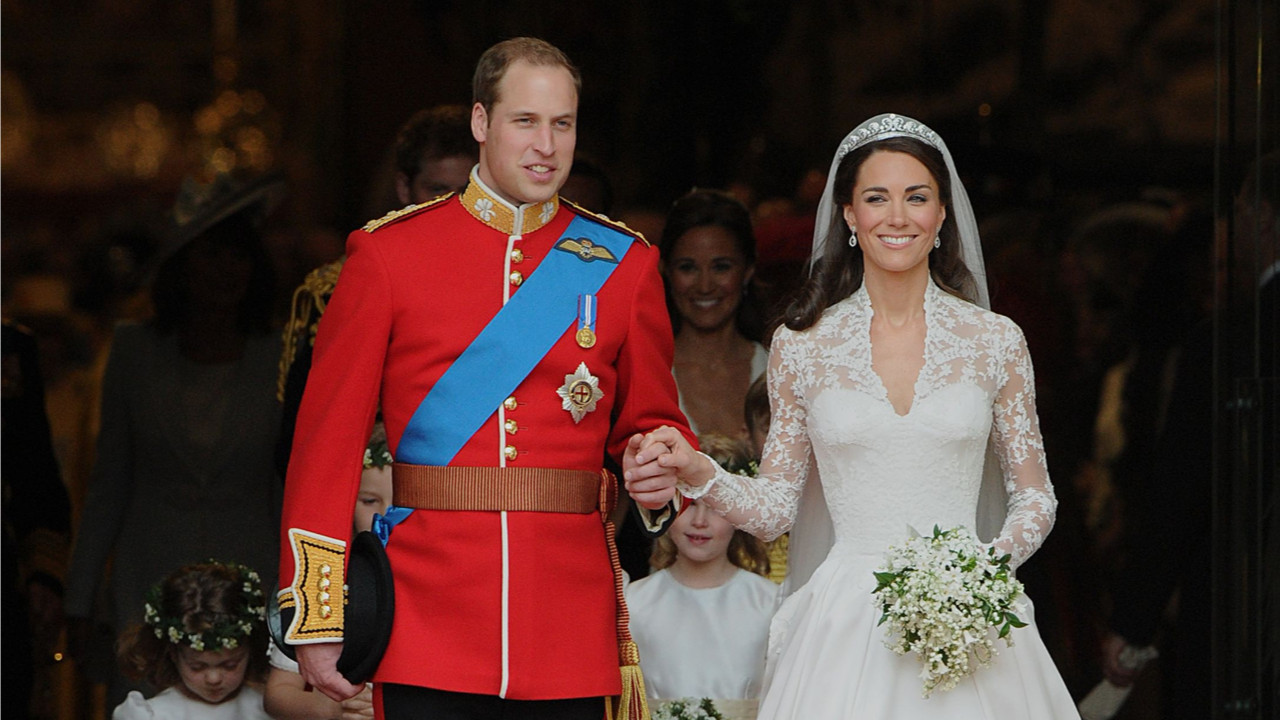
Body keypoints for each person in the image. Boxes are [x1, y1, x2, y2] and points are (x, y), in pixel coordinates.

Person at [277, 37, 693, 720]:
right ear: (480, 123)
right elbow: (326, 447)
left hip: (568, 624)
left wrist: (656, 466)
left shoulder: (624, 265)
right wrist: (318, 615)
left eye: (562, 124)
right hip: (426, 621)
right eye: (524, 122)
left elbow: (652, 423)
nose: (546, 145)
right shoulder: (387, 256)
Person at [627, 113, 1079, 718]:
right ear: (848, 216)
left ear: (942, 214)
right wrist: (697, 470)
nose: (897, 217)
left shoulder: (995, 340)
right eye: (876, 198)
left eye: (916, 197)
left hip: (970, 612)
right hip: (845, 621)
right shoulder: (803, 344)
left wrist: (978, 570)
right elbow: (775, 508)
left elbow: (1035, 498)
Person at [65, 171, 286, 707]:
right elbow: (108, 483)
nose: (226, 268)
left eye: (238, 254)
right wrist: (78, 596)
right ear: (182, 265)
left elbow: (296, 476)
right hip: (150, 579)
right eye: (210, 253)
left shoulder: (282, 353)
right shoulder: (133, 351)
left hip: (253, 577)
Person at [277, 106, 477, 478]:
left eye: (466, 192)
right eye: (436, 190)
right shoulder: (334, 291)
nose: (453, 208)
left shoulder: (514, 283)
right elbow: (304, 438)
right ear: (404, 188)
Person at [627, 434, 777, 719]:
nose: (700, 521)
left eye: (716, 508)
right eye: (690, 504)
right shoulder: (634, 601)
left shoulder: (769, 602)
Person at [264, 425, 393, 720]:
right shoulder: (322, 578)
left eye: (400, 498)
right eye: (370, 501)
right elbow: (279, 692)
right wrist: (331, 708)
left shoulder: (440, 580)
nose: (385, 514)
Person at [659, 189, 768, 440]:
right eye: (687, 268)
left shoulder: (778, 369)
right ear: (666, 271)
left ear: (748, 269)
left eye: (721, 267)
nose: (705, 285)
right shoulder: (648, 372)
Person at [113, 560, 271, 719]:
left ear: (250, 651)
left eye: (230, 665)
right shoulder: (154, 715)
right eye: (197, 666)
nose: (213, 679)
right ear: (174, 654)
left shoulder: (269, 708)